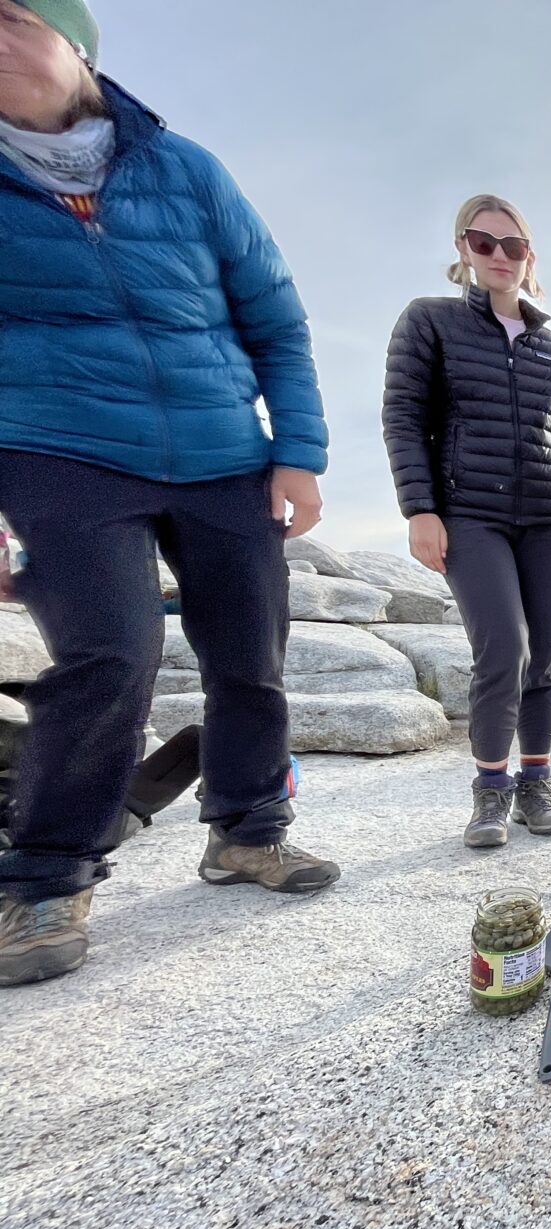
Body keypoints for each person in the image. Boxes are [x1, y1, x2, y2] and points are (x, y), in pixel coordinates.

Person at [0, 0, 340, 987]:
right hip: (57, 450)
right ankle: (46, 877)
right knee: (109, 654)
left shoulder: (186, 169)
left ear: (75, 44)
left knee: (251, 656)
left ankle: (249, 831)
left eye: (13, 16)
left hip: (222, 449)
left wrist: (298, 451)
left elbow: (275, 316)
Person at [383, 194, 551, 848]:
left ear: (529, 256)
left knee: (545, 653)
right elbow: (403, 417)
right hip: (469, 514)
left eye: (514, 245)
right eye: (484, 243)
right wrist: (420, 508)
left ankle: (536, 782)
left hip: (547, 516)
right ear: (464, 248)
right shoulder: (430, 321)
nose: (500, 256)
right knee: (502, 647)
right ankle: (490, 788)